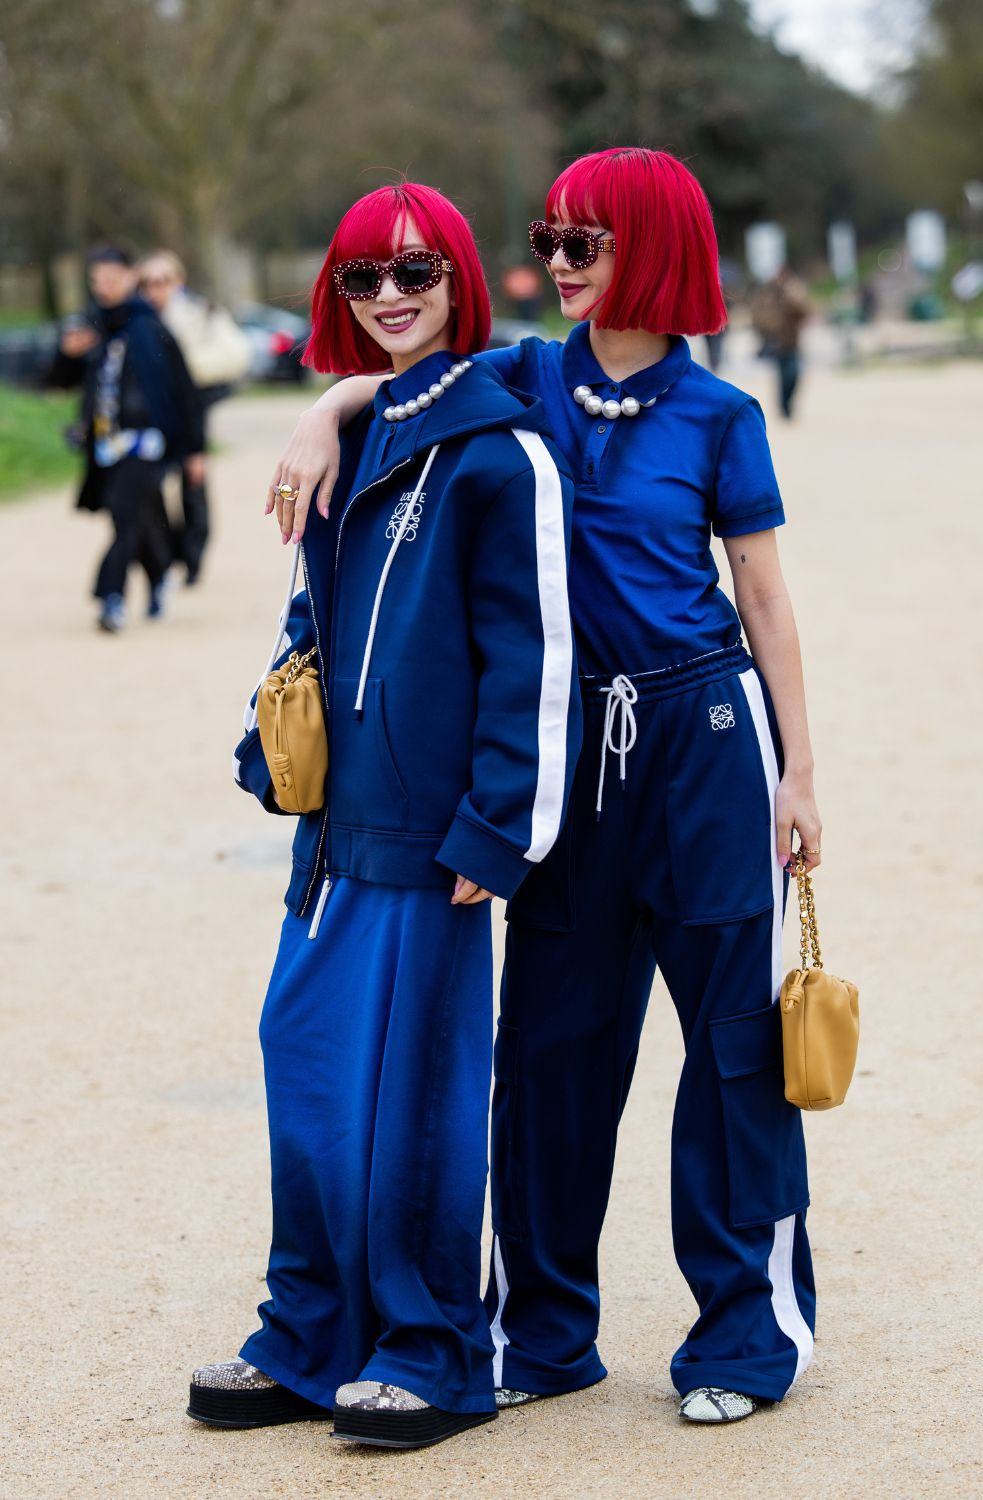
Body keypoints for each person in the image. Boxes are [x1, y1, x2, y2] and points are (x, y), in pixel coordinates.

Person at [268, 147, 824, 1428]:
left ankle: (745, 1332)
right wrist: (323, 410)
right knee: (552, 1058)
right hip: (572, 757)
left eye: (588, 243)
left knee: (735, 1053)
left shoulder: (721, 418)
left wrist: (800, 770)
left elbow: (765, 596)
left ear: (657, 249)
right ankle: (547, 1332)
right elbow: (403, 377)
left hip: (703, 739)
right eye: (550, 240)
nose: (559, 265)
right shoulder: (524, 375)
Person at [187, 184, 578, 1450]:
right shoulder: (351, 440)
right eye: (363, 276)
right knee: (301, 1063)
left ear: (460, 276)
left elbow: (535, 655)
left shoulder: (501, 448)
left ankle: (433, 1352)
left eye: (414, 269)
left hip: (434, 839)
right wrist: (272, 742)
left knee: (416, 1099)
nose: (391, 294)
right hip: (333, 832)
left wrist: (498, 827)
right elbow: (318, 621)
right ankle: (307, 1336)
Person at [46, 244, 205, 631]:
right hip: (104, 444)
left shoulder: (151, 328)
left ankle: (110, 596)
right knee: (139, 518)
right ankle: (159, 572)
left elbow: (185, 391)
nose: (104, 287)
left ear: (131, 278)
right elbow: (58, 382)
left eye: (112, 279)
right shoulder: (91, 328)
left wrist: (195, 449)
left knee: (123, 511)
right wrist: (67, 355)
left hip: (147, 441)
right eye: (97, 280)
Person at [138, 251, 252, 584]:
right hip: (150, 413)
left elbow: (235, 354)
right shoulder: (139, 320)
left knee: (193, 483)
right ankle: (166, 553)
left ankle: (193, 555)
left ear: (178, 282)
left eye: (162, 281)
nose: (154, 290)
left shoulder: (199, 312)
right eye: (147, 283)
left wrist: (183, 372)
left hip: (190, 410)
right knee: (151, 487)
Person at [750, 266, 811, 419]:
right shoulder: (767, 295)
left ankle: (788, 403)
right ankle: (784, 407)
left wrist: (790, 297)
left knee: (794, 375)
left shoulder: (794, 293)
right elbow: (758, 316)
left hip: (792, 341)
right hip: (775, 341)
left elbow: (805, 311)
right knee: (783, 376)